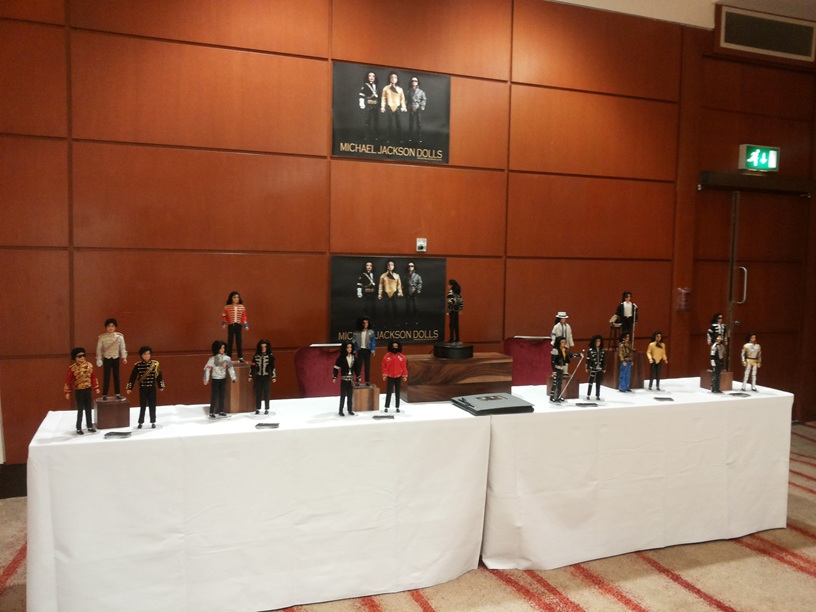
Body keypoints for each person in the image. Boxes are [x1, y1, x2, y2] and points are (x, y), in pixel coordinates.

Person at [126, 346, 165, 429]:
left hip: (152, 388)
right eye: (145, 354)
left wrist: (160, 385)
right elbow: (133, 377)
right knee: (142, 405)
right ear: (141, 355)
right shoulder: (138, 365)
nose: (147, 355)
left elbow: (159, 376)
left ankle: (153, 421)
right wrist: (129, 388)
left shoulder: (155, 364)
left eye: (148, 354)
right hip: (143, 388)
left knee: (152, 405)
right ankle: (140, 422)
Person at [64, 347, 100, 435]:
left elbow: (93, 377)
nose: (82, 358)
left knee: (89, 408)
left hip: (88, 389)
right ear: (75, 358)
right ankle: (78, 428)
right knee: (80, 410)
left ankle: (89, 426)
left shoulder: (89, 366)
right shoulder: (73, 368)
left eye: (83, 355)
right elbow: (68, 380)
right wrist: (67, 391)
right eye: (79, 356)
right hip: (79, 391)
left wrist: (96, 387)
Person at [95, 318, 127, 400]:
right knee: (106, 377)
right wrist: (99, 359)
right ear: (106, 327)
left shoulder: (119, 337)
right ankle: (104, 394)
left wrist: (124, 357)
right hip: (107, 358)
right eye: (109, 326)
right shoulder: (102, 337)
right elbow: (99, 349)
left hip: (116, 358)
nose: (110, 328)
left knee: (117, 376)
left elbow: (122, 348)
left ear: (115, 327)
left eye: (112, 326)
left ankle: (118, 394)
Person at [204, 340, 236, 417]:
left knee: (222, 395)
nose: (222, 350)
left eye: (223, 348)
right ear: (217, 349)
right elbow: (207, 369)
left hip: (223, 378)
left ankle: (221, 410)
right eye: (221, 348)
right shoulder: (213, 359)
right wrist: (206, 379)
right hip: (215, 379)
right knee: (214, 396)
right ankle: (212, 411)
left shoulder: (227, 358)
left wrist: (233, 377)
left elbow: (230, 368)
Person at [332, 341, 360, 417]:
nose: (349, 349)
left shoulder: (354, 357)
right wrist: (334, 377)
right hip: (344, 379)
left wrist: (358, 376)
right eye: (348, 347)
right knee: (343, 395)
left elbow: (356, 368)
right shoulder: (341, 358)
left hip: (351, 379)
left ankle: (350, 410)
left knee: (350, 396)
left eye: (350, 347)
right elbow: (336, 368)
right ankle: (340, 410)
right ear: (345, 348)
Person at [249, 339, 276, 414]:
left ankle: (267, 408)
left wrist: (273, 376)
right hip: (258, 377)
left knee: (266, 393)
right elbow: (252, 366)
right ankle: (257, 408)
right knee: (258, 392)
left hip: (266, 377)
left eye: (265, 347)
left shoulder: (270, 356)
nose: (263, 348)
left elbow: (272, 367)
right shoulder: (256, 356)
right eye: (262, 347)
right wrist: (250, 375)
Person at [381, 340, 408, 413]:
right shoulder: (387, 356)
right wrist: (384, 375)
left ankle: (397, 406)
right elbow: (384, 366)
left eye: (396, 346)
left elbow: (404, 367)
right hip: (390, 376)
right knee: (389, 391)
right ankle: (386, 406)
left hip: (398, 376)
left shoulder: (401, 357)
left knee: (397, 391)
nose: (394, 348)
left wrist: (404, 376)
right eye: (393, 346)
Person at [380, 71, 407, 143]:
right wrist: (383, 106)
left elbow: (402, 99)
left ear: (397, 79)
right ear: (389, 78)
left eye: (395, 77)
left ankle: (400, 138)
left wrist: (404, 106)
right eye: (391, 77)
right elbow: (383, 98)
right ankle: (388, 138)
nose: (393, 79)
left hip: (397, 108)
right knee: (389, 124)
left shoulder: (400, 89)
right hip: (389, 107)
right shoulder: (386, 88)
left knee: (399, 124)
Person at [222, 291, 249, 362]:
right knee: (230, 341)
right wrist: (224, 323)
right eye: (234, 297)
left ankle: (240, 357)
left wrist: (245, 325)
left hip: (238, 325)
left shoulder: (242, 307)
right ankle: (229, 356)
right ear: (231, 298)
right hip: (231, 325)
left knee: (239, 341)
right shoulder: (227, 307)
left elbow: (244, 317)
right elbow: (225, 316)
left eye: (237, 297)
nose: (236, 299)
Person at [550, 336, 575, 402]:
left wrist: (578, 355)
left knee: (560, 383)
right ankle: (552, 396)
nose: (564, 343)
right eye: (562, 342)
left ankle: (559, 396)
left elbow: (571, 355)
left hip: (561, 368)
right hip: (556, 368)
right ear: (559, 343)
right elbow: (553, 361)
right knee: (555, 383)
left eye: (564, 342)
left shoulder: (565, 350)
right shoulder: (555, 350)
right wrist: (553, 371)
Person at [352, 317, 376, 384]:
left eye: (367, 322)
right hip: (360, 350)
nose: (366, 324)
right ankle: (357, 380)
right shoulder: (356, 333)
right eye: (364, 323)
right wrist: (354, 349)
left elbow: (373, 342)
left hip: (367, 350)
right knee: (358, 366)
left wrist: (373, 350)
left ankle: (367, 381)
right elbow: (354, 342)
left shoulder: (371, 332)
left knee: (367, 366)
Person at [358, 71, 379, 142]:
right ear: (367, 77)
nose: (371, 77)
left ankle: (376, 136)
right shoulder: (365, 86)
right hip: (368, 105)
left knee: (376, 121)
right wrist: (361, 103)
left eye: (373, 76)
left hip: (375, 106)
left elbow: (378, 96)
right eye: (370, 76)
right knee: (368, 121)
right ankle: (367, 136)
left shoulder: (376, 86)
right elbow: (361, 95)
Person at [585, 335, 606, 401]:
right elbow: (587, 360)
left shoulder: (602, 351)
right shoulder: (590, 350)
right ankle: (588, 394)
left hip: (599, 368)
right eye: (596, 341)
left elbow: (604, 360)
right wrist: (587, 367)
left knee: (598, 382)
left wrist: (604, 368)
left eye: (599, 341)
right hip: (592, 368)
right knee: (590, 382)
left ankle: (597, 395)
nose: (598, 343)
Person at [407, 76, 426, 143]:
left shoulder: (421, 92)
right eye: (413, 81)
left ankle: (419, 138)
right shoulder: (409, 91)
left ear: (418, 82)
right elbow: (407, 99)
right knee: (411, 124)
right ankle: (410, 137)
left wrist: (422, 106)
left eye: (415, 81)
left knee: (419, 124)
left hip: (418, 108)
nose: (414, 82)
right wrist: (406, 106)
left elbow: (424, 99)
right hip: (411, 108)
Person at [446, 279, 463, 343]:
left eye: (449, 284)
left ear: (451, 285)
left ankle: (451, 339)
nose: (448, 286)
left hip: (452, 310)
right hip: (456, 309)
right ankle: (457, 338)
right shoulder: (458, 291)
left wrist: (448, 311)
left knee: (451, 325)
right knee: (456, 324)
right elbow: (461, 300)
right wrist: (460, 309)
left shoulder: (450, 292)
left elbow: (450, 302)